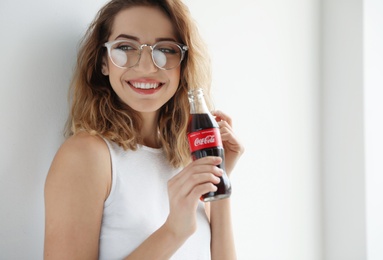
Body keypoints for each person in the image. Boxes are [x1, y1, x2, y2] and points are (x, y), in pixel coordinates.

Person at [44, 0, 244, 259]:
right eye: (126, 47)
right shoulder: (86, 156)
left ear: (183, 64)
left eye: (166, 49)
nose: (147, 66)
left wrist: (220, 177)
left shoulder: (185, 156)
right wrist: (173, 231)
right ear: (103, 62)